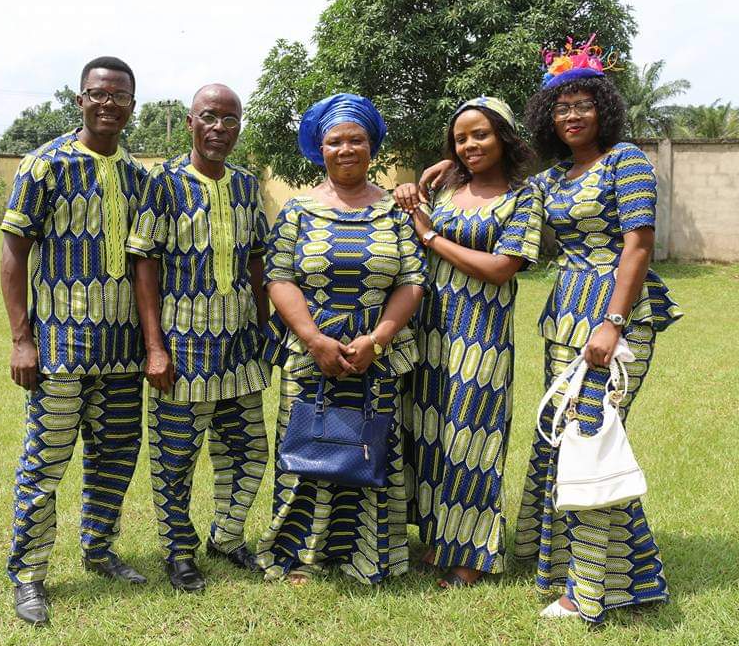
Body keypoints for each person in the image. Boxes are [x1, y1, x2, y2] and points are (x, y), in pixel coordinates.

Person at [416, 37, 683, 621]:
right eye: (560, 107)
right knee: (562, 446)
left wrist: (613, 323)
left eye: (582, 104)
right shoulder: (555, 180)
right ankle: (623, 579)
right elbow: (501, 190)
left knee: (589, 439)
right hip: (564, 316)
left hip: (613, 315)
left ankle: (586, 595)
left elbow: (638, 245)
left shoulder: (627, 161)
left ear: (603, 108)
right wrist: (452, 164)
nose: (571, 115)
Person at [256, 93, 427, 585]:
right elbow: (279, 276)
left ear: (372, 147)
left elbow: (412, 280)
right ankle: (299, 556)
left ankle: (369, 555)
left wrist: (378, 339)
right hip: (312, 354)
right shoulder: (297, 211)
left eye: (357, 140)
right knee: (308, 448)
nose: (346, 149)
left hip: (378, 353)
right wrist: (314, 340)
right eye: (335, 141)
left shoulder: (395, 210)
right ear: (320, 148)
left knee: (371, 448)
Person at [0, 56, 148, 625]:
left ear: (133, 105)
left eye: (120, 96)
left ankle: (100, 549)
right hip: (60, 351)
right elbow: (14, 252)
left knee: (114, 459)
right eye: (98, 94)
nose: (109, 104)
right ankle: (29, 575)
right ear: (80, 99)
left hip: (124, 354)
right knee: (45, 462)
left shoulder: (138, 175)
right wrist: (21, 339)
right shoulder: (44, 165)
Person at [126, 84, 271, 593]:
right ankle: (178, 552)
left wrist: (262, 324)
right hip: (183, 347)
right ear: (190, 121)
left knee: (251, 450)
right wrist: (155, 347)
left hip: (239, 349)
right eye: (209, 117)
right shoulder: (161, 183)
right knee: (176, 458)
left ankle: (227, 537)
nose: (220, 128)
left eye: (230, 120)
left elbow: (256, 258)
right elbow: (143, 263)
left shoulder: (248, 186)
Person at [392, 97, 541, 589]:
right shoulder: (447, 187)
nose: (471, 144)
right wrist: (415, 186)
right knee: (430, 433)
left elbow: (502, 269)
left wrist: (431, 236)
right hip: (429, 328)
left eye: (481, 134)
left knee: (472, 438)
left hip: (481, 336)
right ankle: (440, 537)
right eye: (461, 137)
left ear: (504, 136)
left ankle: (473, 555)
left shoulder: (524, 196)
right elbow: (407, 214)